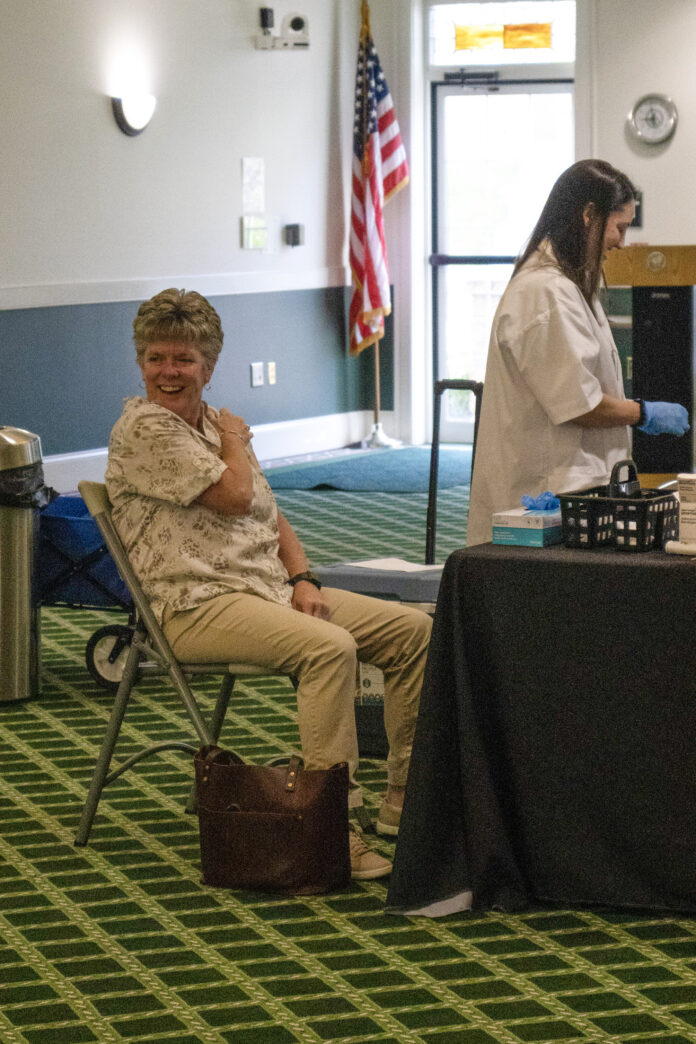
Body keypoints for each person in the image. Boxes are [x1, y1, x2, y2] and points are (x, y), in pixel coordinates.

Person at [105, 288, 432, 881]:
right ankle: (329, 828)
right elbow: (234, 497)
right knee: (328, 647)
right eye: (156, 358)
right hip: (192, 608)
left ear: (208, 366)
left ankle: (404, 802)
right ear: (140, 363)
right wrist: (237, 440)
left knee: (414, 631)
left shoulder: (212, 424)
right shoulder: (144, 430)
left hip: (265, 592)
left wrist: (303, 578)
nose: (168, 372)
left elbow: (273, 515)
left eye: (183, 360)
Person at [467, 159, 690, 547]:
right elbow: (581, 405)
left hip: (573, 486)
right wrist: (644, 412)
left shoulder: (568, 285)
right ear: (589, 215)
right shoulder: (546, 292)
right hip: (543, 494)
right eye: (619, 227)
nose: (621, 242)